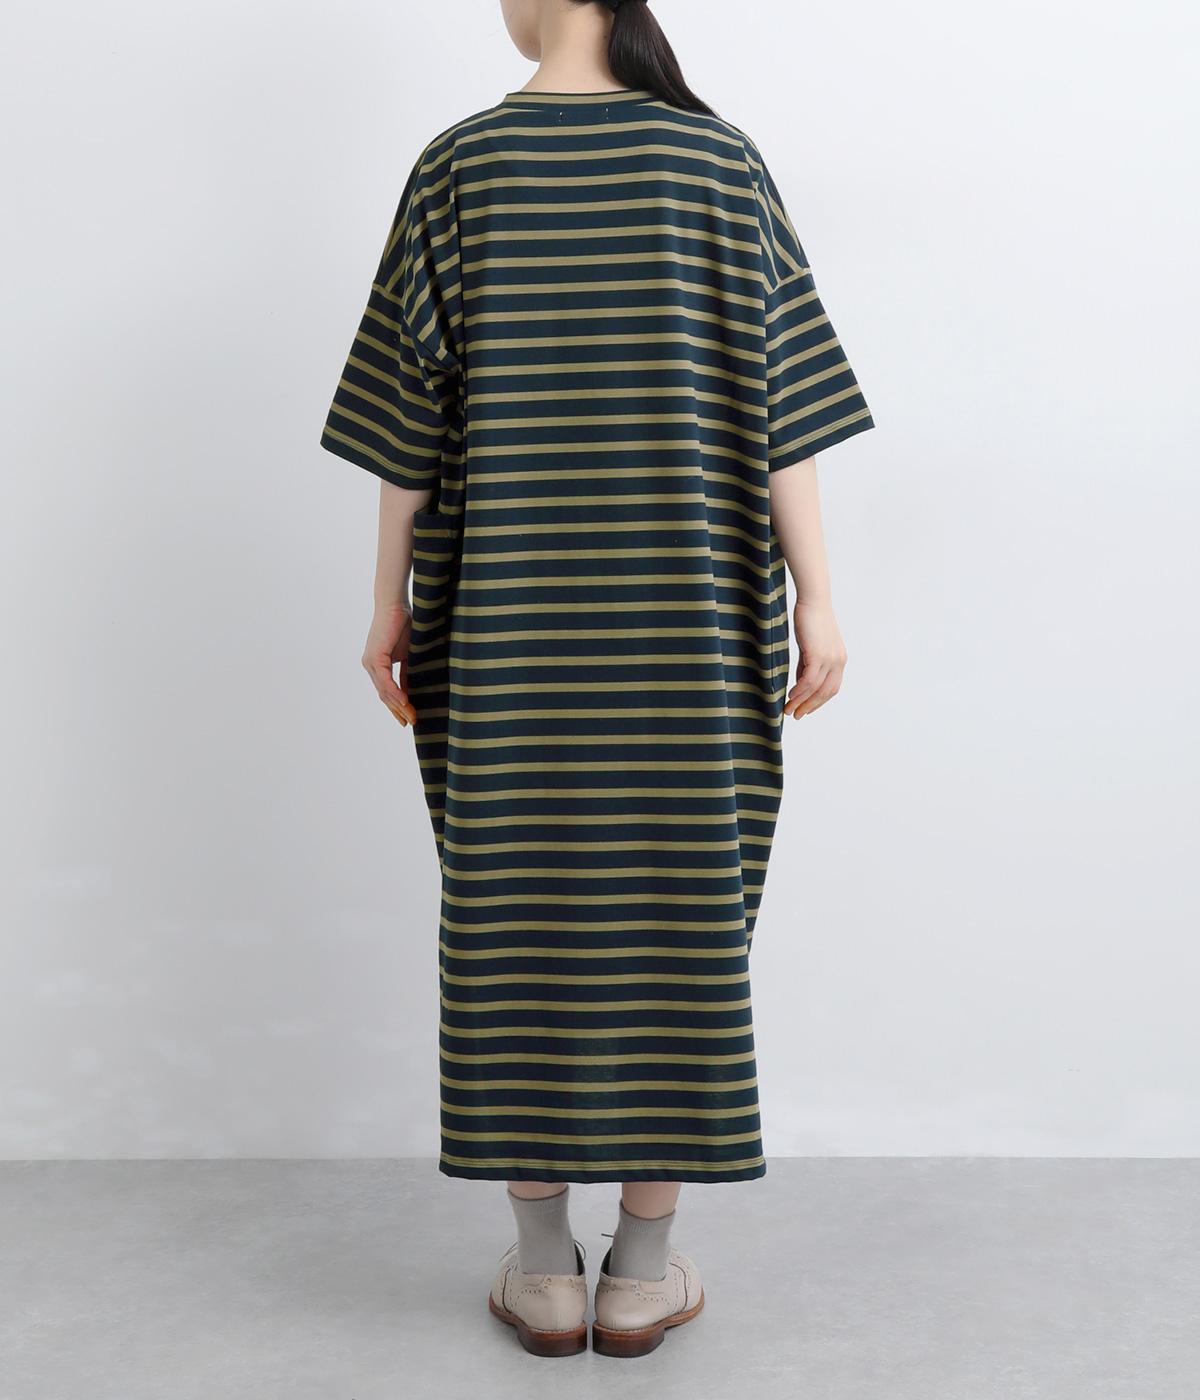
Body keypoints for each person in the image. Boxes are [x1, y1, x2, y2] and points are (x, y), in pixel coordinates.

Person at [319, 0, 874, 1360]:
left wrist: (387, 604)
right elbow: (783, 407)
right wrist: (817, 594)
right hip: (692, 627)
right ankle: (640, 1273)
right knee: (681, 919)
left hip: (505, 629)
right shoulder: (718, 163)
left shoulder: (460, 166)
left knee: (510, 918)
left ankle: (540, 1274)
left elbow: (407, 426)